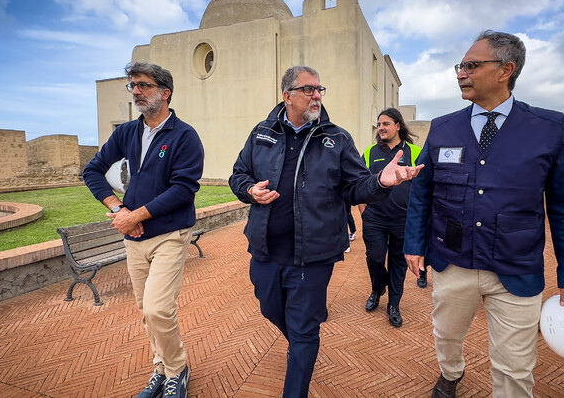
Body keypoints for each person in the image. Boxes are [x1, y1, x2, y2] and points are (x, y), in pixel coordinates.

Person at [404, 31, 564, 398]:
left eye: (471, 65)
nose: (461, 73)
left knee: (515, 368)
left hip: (516, 267)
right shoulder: (443, 127)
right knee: (446, 334)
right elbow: (422, 192)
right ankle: (450, 373)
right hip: (452, 262)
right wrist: (414, 244)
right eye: (460, 66)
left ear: (507, 69)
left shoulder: (550, 128)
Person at [229, 66, 423, 397]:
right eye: (309, 89)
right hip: (264, 247)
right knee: (268, 306)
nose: (317, 95)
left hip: (313, 255)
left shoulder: (336, 138)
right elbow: (238, 174)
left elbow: (356, 186)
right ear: (287, 95)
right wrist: (250, 191)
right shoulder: (262, 133)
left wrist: (381, 181)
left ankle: (301, 360)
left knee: (304, 330)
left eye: (320, 89)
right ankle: (302, 347)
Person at [83, 62, 204, 398]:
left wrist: (136, 215)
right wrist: (119, 209)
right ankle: (160, 369)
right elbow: (92, 170)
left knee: (157, 308)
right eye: (132, 85)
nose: (135, 91)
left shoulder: (184, 136)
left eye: (144, 85)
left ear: (165, 92)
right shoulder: (127, 133)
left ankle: (177, 370)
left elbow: (183, 189)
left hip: (169, 234)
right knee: (145, 310)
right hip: (133, 237)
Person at [358, 108, 421, 327]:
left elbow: (423, 187)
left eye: (386, 123)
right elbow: (360, 185)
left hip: (403, 220)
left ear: (397, 126)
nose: (381, 128)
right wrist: (364, 212)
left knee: (398, 264)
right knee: (374, 258)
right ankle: (378, 287)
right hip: (374, 218)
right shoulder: (369, 152)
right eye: (379, 125)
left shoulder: (415, 152)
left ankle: (393, 304)